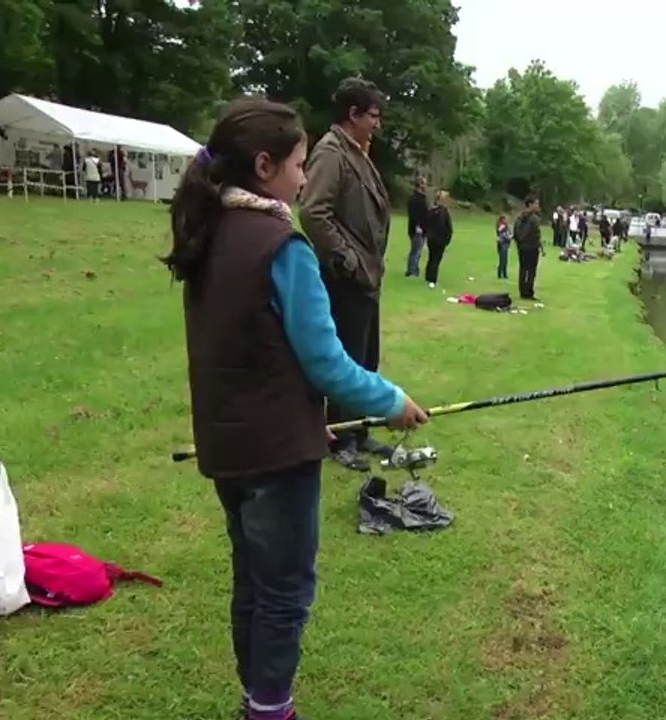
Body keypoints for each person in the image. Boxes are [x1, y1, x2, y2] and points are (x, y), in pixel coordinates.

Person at [161, 97, 428, 720]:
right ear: (264, 166)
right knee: (284, 591)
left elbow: (249, 352)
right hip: (277, 457)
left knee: (252, 582)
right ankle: (270, 709)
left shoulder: (207, 234)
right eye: (299, 164)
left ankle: (257, 698)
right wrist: (392, 402)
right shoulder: (284, 248)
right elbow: (328, 364)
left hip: (228, 448)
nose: (305, 177)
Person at [298, 77, 393, 471]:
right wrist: (347, 258)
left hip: (366, 278)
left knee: (365, 356)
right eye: (373, 115)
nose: (377, 124)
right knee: (346, 359)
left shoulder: (358, 151)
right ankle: (340, 438)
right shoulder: (331, 152)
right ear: (352, 114)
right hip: (344, 278)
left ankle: (359, 429)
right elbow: (312, 211)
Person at [514, 193, 543, 300]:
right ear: (530, 204)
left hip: (522, 247)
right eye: (536, 203)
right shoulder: (534, 218)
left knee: (523, 269)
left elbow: (515, 232)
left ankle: (523, 291)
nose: (538, 206)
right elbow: (536, 234)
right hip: (532, 247)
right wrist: (539, 245)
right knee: (531, 270)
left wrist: (519, 243)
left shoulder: (519, 216)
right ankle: (529, 292)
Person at [424, 190, 453, 287]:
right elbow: (448, 226)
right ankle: (432, 279)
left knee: (431, 258)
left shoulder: (431, 210)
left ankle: (428, 276)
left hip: (431, 238)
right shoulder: (443, 211)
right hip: (439, 238)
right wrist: (447, 238)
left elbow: (426, 224)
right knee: (436, 259)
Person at [405, 176, 428, 278]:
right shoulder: (415, 198)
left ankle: (414, 269)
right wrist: (418, 226)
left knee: (417, 250)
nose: (425, 186)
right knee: (416, 251)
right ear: (420, 185)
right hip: (417, 229)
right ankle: (412, 271)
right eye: (424, 184)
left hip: (420, 228)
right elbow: (414, 214)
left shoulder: (421, 198)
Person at [495, 215, 512, 279]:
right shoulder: (502, 226)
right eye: (505, 219)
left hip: (505, 245)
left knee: (505, 260)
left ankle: (504, 274)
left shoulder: (506, 226)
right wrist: (509, 237)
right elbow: (501, 234)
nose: (506, 220)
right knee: (502, 260)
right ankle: (500, 274)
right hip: (502, 245)